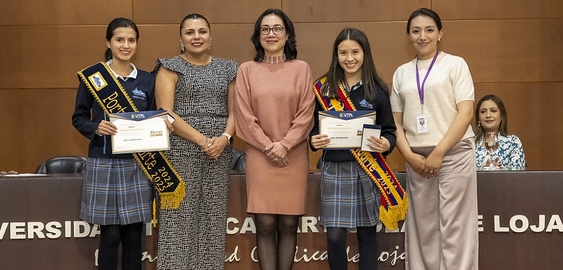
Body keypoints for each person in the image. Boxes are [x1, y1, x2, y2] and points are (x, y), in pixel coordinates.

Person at [390, 8, 479, 270]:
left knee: (456, 227)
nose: (422, 36)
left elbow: (466, 112)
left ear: (440, 33)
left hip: (454, 154)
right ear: (408, 36)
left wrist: (439, 152)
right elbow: (395, 122)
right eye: (416, 31)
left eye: (429, 30)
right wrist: (408, 156)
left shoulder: (455, 64)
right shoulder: (401, 73)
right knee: (423, 228)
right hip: (417, 159)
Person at [309, 28, 401, 270]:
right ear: (336, 55)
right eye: (343, 52)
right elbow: (312, 130)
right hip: (334, 168)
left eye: (355, 52)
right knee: (335, 236)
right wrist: (314, 140)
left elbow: (390, 130)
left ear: (365, 54)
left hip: (367, 170)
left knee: (367, 234)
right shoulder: (323, 89)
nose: (349, 58)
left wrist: (386, 143)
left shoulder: (377, 90)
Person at [152, 13, 237, 270]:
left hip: (220, 152)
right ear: (181, 38)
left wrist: (224, 138)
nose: (196, 37)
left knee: (213, 218)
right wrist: (203, 140)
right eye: (190, 32)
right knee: (179, 219)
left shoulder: (229, 68)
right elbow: (165, 113)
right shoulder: (169, 67)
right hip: (181, 151)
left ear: (211, 37)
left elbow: (236, 112)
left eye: (202, 32)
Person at [234, 8, 315, 270]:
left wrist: (285, 145)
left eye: (277, 28)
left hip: (294, 154)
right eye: (265, 29)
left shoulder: (301, 69)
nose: (271, 34)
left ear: (287, 33)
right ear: (258, 36)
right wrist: (270, 146)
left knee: (290, 223)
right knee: (266, 222)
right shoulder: (246, 70)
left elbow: (306, 113)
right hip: (260, 155)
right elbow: (244, 116)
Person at [72, 17, 155, 270]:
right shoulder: (93, 78)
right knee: (109, 235)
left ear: (137, 44)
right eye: (120, 39)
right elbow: (78, 117)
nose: (126, 45)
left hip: (137, 165)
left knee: (133, 236)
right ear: (108, 42)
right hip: (103, 162)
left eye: (131, 40)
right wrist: (95, 127)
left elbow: (153, 119)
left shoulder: (147, 80)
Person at [475, 94, 526, 170]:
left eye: (493, 111)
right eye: (483, 112)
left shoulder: (513, 142)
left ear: (502, 116)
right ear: (478, 118)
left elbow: (518, 176)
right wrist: (482, 169)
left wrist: (500, 171)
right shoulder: (470, 143)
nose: (488, 115)